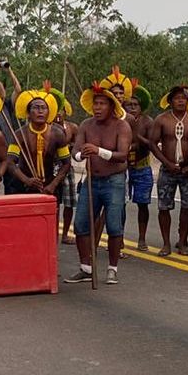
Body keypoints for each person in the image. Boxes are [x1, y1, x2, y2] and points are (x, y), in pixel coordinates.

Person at [65, 84, 132, 284]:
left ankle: (112, 268)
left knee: (113, 226)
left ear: (112, 106)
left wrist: (99, 151)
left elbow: (122, 156)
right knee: (81, 225)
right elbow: (75, 153)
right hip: (92, 180)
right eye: (95, 103)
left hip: (115, 181)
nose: (98, 107)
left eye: (102, 103)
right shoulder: (86, 125)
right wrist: (81, 154)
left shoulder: (122, 126)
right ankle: (86, 268)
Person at [150, 85, 188, 257]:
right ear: (170, 101)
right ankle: (166, 243)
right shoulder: (161, 119)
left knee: (187, 207)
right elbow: (152, 143)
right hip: (167, 170)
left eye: (184, 97)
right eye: (177, 98)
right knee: (164, 207)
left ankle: (182, 242)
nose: (181, 100)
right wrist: (166, 162)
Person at [6, 88, 72, 199]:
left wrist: (53, 185)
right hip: (23, 187)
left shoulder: (58, 134)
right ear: (28, 113)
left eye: (44, 108)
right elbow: (10, 162)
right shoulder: (19, 134)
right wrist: (26, 180)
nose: (40, 111)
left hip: (49, 188)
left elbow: (66, 163)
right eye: (36, 108)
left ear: (49, 112)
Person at [123, 86, 155, 250]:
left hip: (142, 167)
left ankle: (142, 238)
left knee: (143, 204)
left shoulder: (148, 122)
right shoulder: (120, 120)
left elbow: (151, 143)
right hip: (123, 167)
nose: (133, 108)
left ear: (141, 106)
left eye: (136, 104)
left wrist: (136, 135)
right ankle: (118, 237)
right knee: (119, 204)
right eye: (129, 104)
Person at [55, 107, 79, 244]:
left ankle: (65, 234)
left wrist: (69, 145)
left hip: (67, 167)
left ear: (65, 111)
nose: (58, 113)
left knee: (69, 203)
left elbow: (77, 145)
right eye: (56, 109)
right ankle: (53, 233)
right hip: (52, 168)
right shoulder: (48, 127)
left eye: (61, 110)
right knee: (55, 203)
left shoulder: (72, 127)